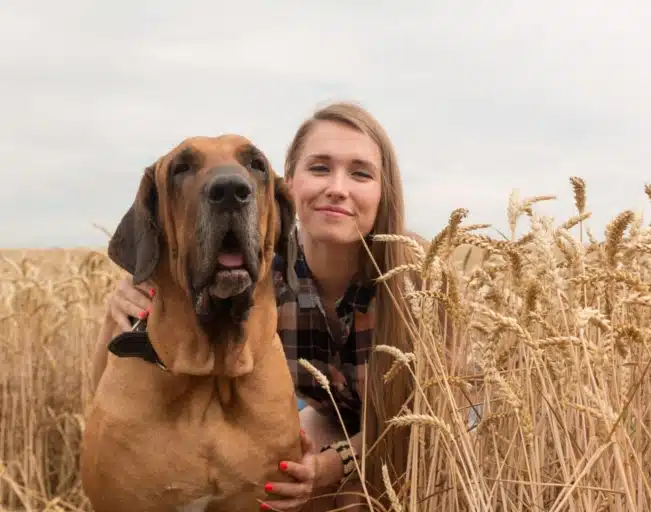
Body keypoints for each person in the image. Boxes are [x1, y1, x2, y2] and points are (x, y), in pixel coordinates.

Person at [92, 101, 426, 511]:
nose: (338, 187)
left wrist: (334, 465)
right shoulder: (269, 274)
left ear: (384, 191)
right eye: (320, 168)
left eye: (360, 173)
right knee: (292, 477)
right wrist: (128, 300)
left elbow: (431, 418)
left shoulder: (419, 281)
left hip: (426, 436)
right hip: (331, 418)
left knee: (352, 502)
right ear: (290, 185)